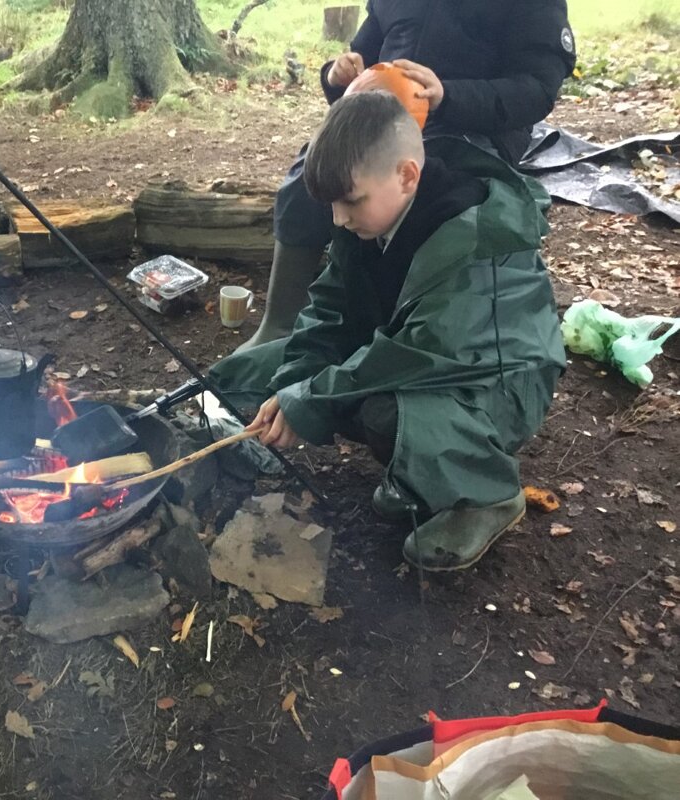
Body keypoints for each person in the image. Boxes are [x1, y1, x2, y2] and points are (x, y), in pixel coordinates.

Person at [209, 92, 566, 571]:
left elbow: (411, 353)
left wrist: (308, 400)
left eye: (349, 201)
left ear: (406, 175)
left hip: (498, 383)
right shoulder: (370, 218)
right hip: (415, 355)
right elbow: (330, 309)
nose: (337, 217)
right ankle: (420, 473)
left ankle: (488, 495)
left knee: (382, 412)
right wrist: (294, 381)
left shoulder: (475, 242)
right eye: (332, 204)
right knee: (281, 368)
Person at [242, 0, 577, 350]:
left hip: (470, 127)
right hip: (385, 118)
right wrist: (339, 74)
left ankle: (393, 330)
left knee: (417, 193)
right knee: (311, 175)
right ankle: (279, 323)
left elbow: (537, 89)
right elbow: (363, 56)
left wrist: (448, 95)